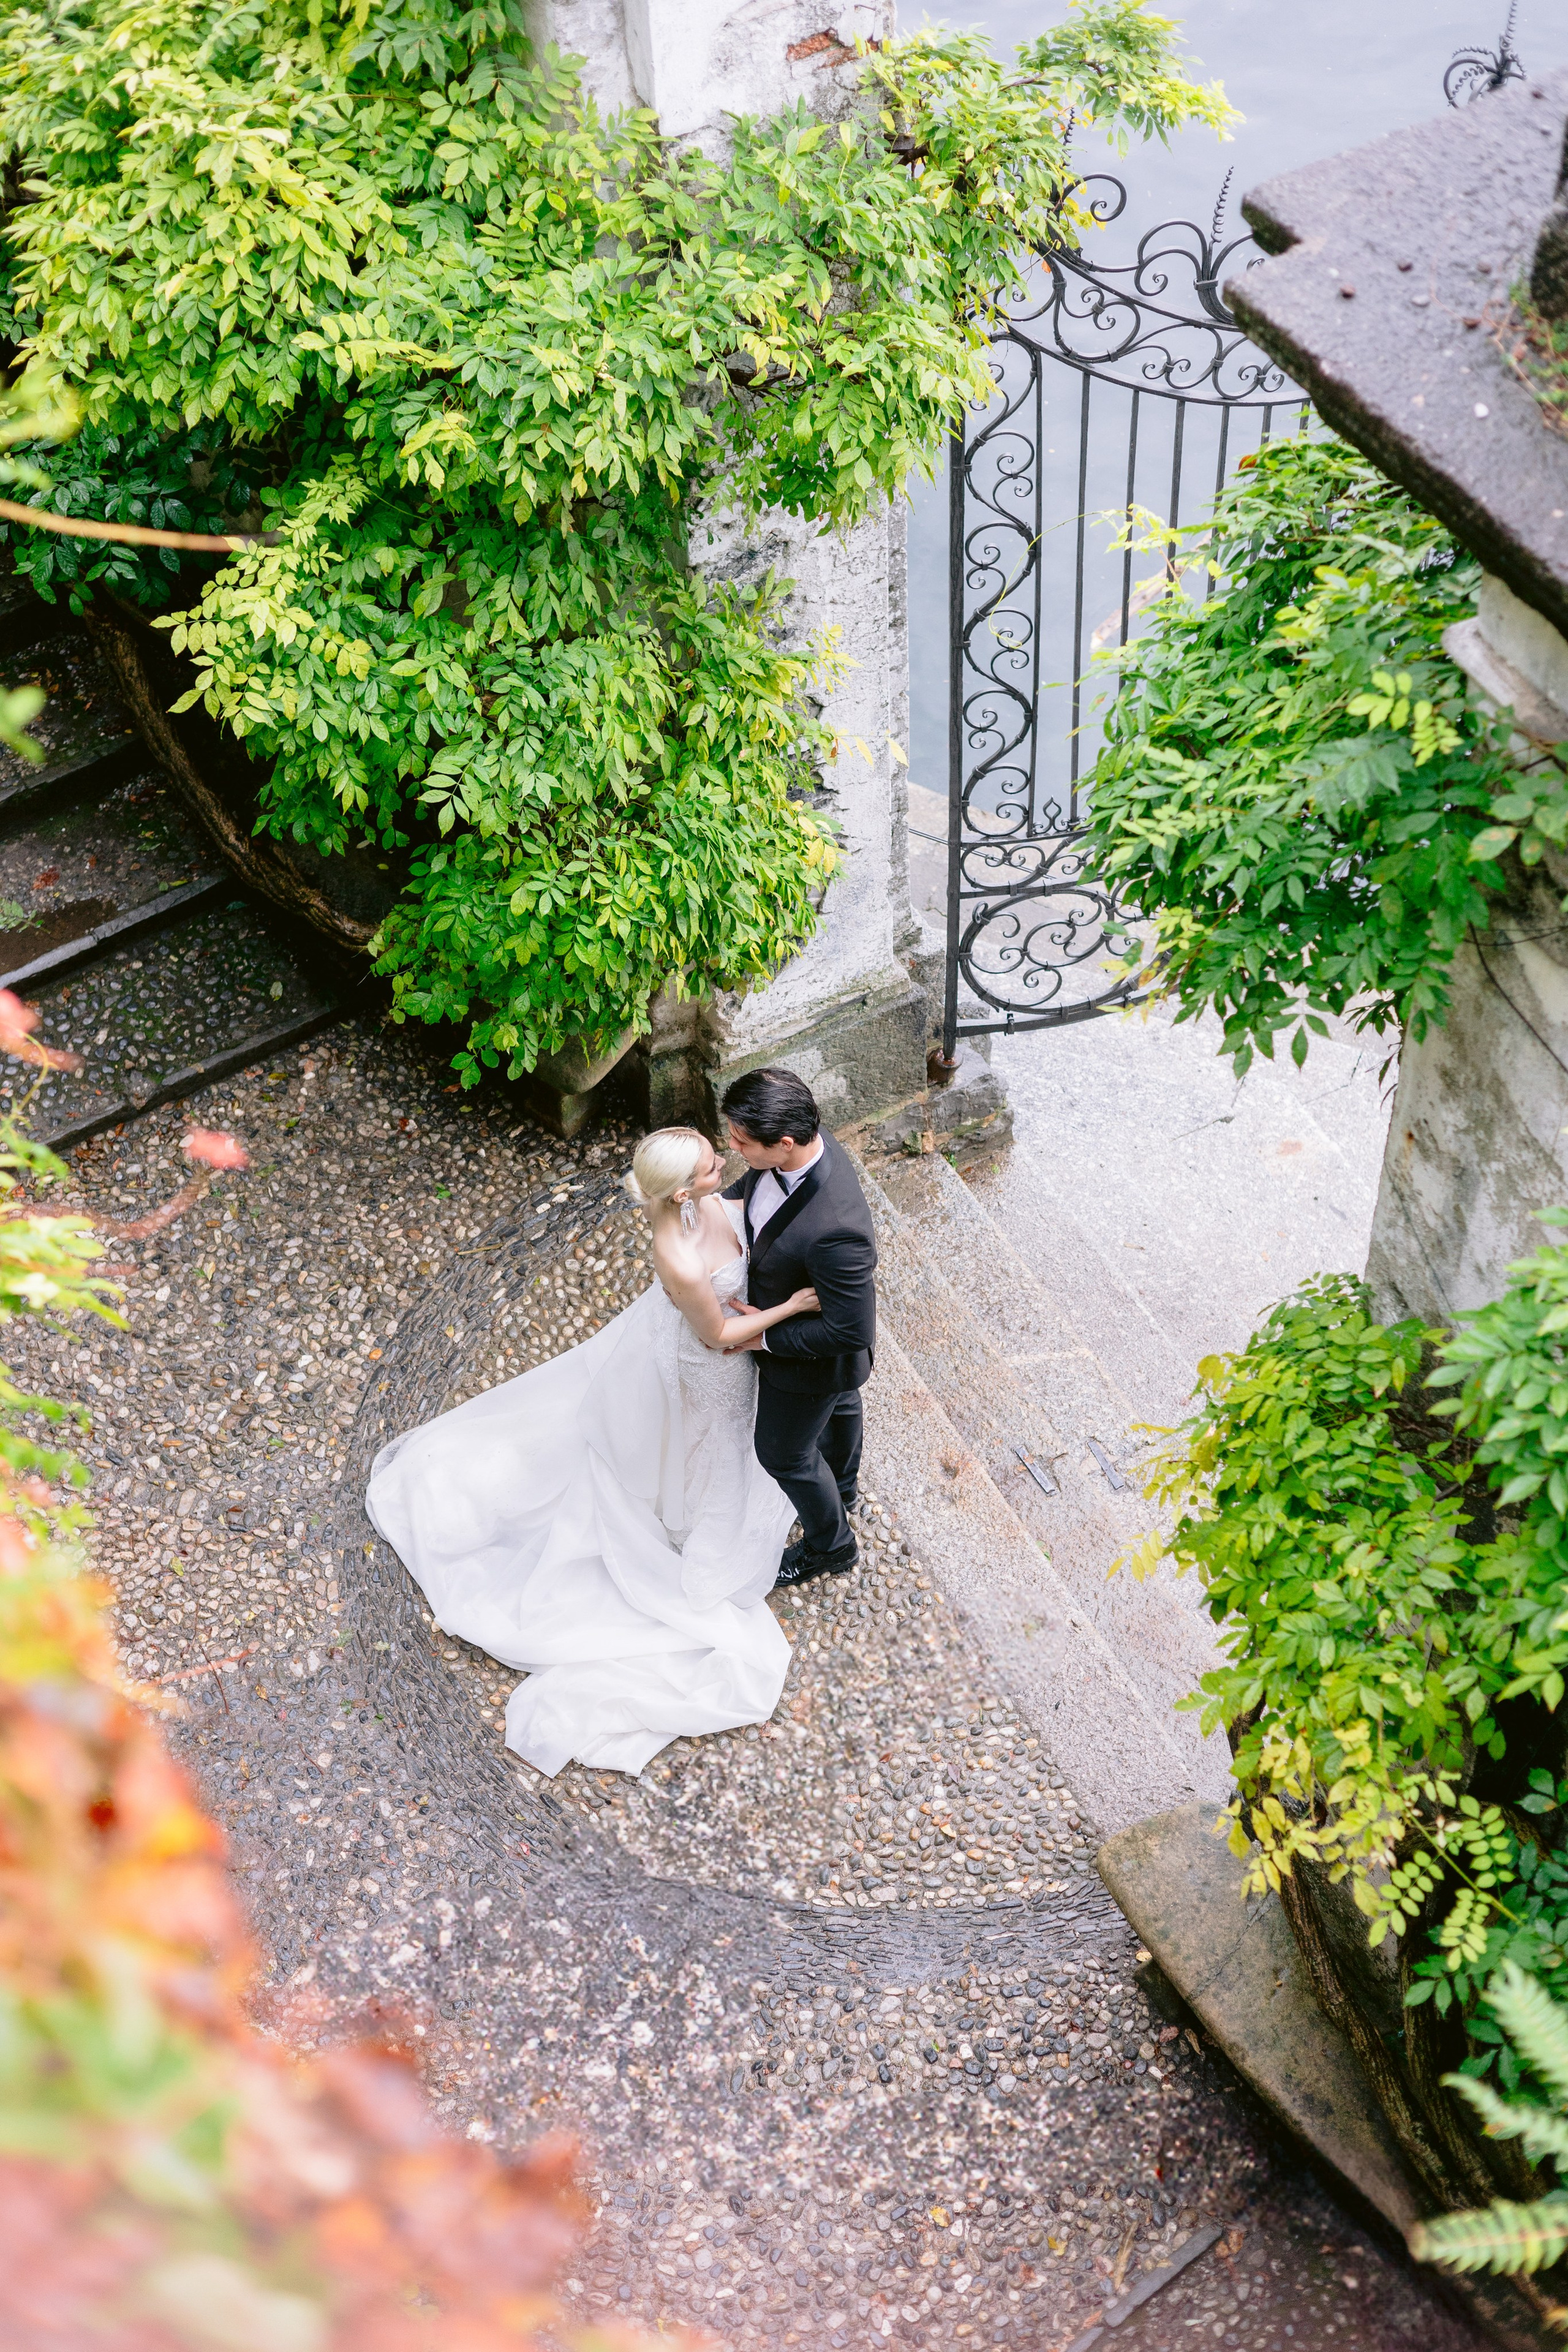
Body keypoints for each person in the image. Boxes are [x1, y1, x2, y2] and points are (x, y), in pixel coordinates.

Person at [364, 1128, 818, 1777]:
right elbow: (719, 1334)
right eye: (715, 1164)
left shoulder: (693, 1204)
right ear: (685, 1191)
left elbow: (737, 1216)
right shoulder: (679, 1257)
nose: (726, 1161)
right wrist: (791, 1307)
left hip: (696, 1345)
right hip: (709, 1359)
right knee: (702, 1441)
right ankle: (682, 1519)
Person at [720, 1066, 878, 1587]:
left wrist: (763, 1335)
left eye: (742, 1142)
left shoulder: (837, 1232)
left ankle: (831, 1546)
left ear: (784, 1143)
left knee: (783, 1455)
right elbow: (753, 1190)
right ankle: (845, 1487)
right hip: (835, 1373)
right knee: (845, 1403)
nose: (734, 1149)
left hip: (808, 1366)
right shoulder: (805, 1140)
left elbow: (851, 1333)